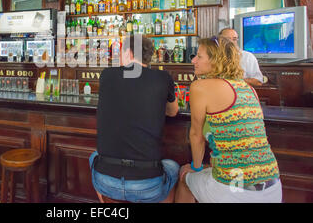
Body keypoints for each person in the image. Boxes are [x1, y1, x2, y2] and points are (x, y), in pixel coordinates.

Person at [175, 36, 282, 203]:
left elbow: (196, 136)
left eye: (199, 56)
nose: (193, 60)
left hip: (234, 190)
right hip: (273, 188)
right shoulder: (248, 88)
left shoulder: (200, 86)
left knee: (184, 176)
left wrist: (195, 168)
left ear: (216, 60)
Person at [89, 35, 180, 203]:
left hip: (106, 182)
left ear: (129, 53)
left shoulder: (107, 75)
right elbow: (173, 112)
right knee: (174, 168)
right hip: (147, 185)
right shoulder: (163, 78)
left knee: (93, 156)